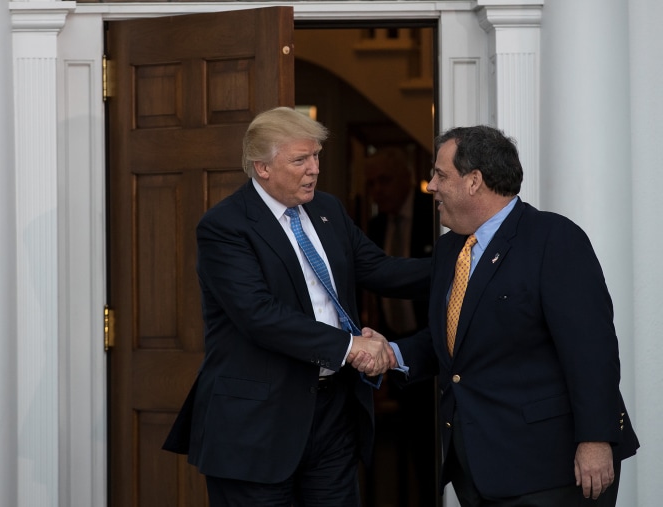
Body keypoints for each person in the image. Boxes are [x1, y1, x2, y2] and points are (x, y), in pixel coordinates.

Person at [162, 106, 431, 506]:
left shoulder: (328, 210)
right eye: (300, 159)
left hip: (333, 413)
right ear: (262, 167)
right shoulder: (226, 226)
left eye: (316, 156)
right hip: (258, 427)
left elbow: (380, 269)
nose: (314, 169)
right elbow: (259, 315)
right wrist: (350, 347)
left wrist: (465, 265)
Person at [374, 125, 639, 506]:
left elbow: (591, 351)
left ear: (474, 181)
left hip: (549, 470)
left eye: (440, 174)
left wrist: (596, 440)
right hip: (478, 469)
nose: (430, 185)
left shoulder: (552, 238)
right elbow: (454, 343)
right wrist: (390, 354)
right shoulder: (451, 250)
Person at [363, 146, 438, 507]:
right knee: (406, 443)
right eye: (372, 183)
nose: (378, 190)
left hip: (435, 349)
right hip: (393, 350)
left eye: (385, 179)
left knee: (432, 446)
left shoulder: (435, 215)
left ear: (407, 177)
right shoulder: (375, 226)